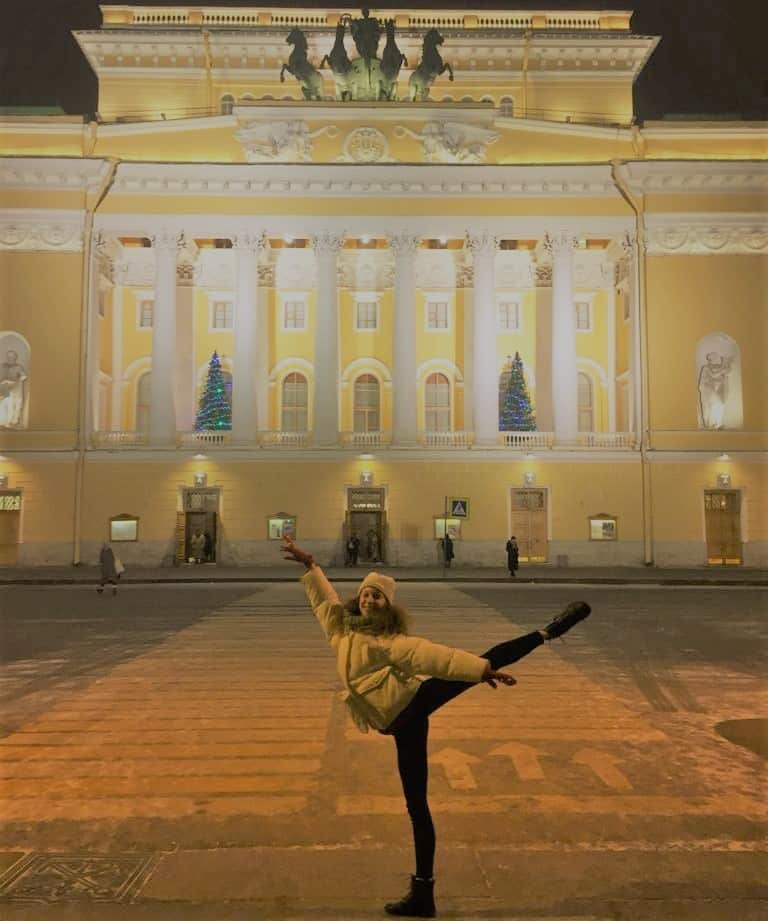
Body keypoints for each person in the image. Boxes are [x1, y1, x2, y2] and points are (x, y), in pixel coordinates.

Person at [281, 535, 591, 918]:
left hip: (412, 708)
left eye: (377, 597)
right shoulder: (341, 630)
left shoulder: (391, 642)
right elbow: (323, 601)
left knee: (481, 662)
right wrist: (310, 564)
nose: (369, 600)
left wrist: (479, 672)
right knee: (416, 807)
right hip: (398, 724)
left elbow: (432, 656)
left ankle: (546, 633)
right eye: (365, 594)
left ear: (387, 605)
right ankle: (423, 895)